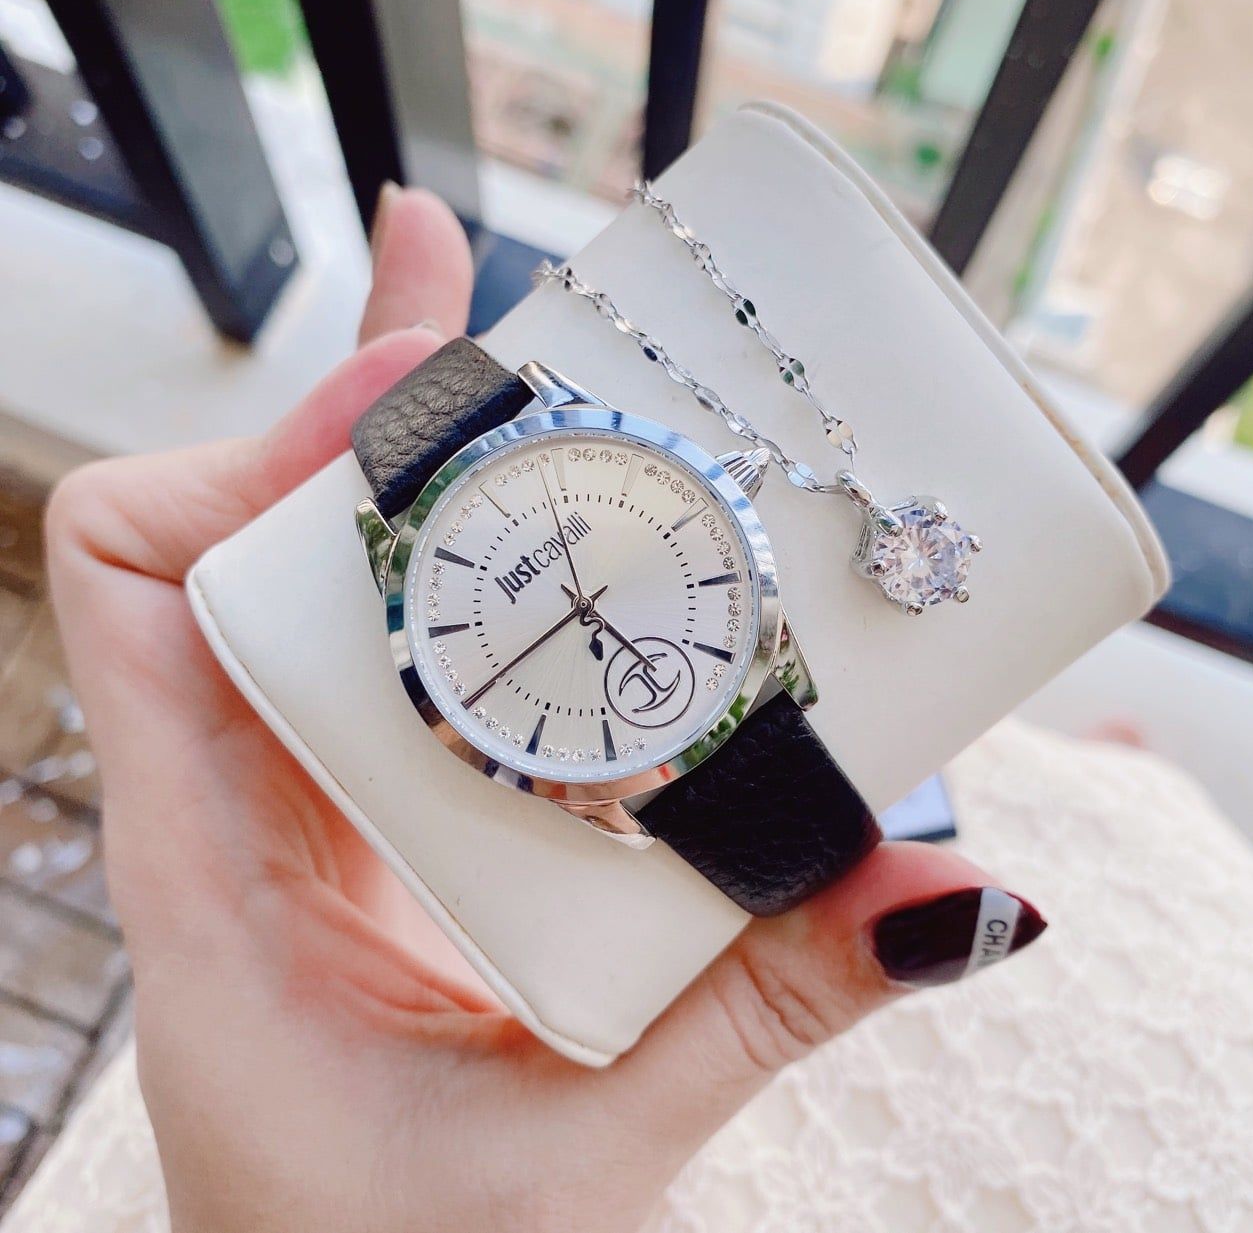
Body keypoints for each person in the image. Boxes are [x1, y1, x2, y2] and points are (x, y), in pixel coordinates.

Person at [45, 184, 1045, 1233]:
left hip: (675, 651)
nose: (580, 609)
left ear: (722, 481)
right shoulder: (446, 606)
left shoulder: (583, 450)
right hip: (600, 712)